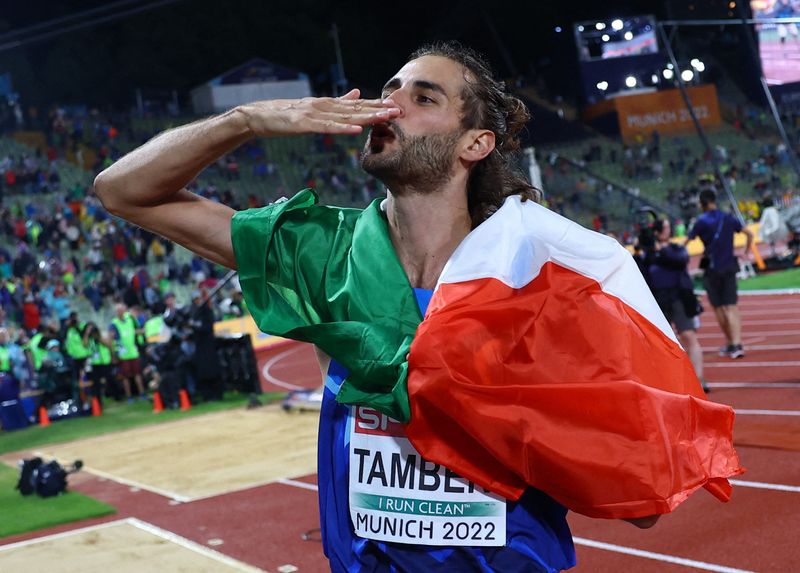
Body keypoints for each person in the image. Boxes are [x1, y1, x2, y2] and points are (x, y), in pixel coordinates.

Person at [96, 42, 740, 572]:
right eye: (389, 88)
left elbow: (642, 500)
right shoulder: (327, 252)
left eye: (421, 97)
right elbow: (125, 192)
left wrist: (499, 419)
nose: (387, 105)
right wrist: (246, 120)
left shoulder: (540, 279)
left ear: (476, 144)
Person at [642, 219, 708, 391]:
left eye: (667, 227)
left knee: (688, 335)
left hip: (679, 296)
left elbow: (680, 260)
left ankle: (699, 380)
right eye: (663, 227)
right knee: (663, 342)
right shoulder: (648, 255)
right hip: (658, 299)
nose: (667, 230)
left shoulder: (675, 249)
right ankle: (672, 381)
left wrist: (661, 250)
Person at [688, 189, 754, 359]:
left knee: (718, 307)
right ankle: (737, 344)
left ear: (702, 203)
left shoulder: (700, 222)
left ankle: (731, 342)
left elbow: (687, 242)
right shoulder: (727, 217)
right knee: (731, 306)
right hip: (729, 266)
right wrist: (746, 251)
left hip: (711, 269)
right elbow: (749, 233)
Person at [109, 302, 146, 402]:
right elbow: (111, 338)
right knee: (125, 377)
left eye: (122, 310)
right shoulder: (114, 323)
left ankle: (142, 393)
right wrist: (114, 353)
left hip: (133, 352)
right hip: (123, 354)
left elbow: (136, 330)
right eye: (118, 310)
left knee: (137, 374)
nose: (120, 312)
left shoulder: (130, 319)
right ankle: (129, 396)